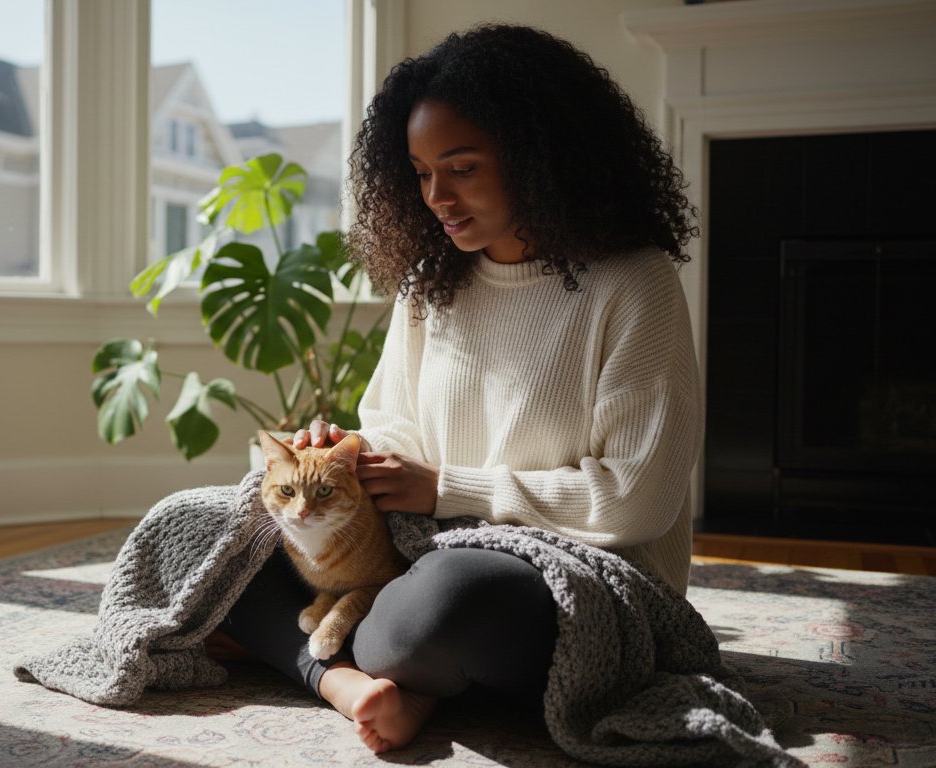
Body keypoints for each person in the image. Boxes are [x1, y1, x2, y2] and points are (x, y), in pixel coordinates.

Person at [208, 23, 701, 755]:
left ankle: (332, 656)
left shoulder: (635, 283)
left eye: (463, 167)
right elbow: (396, 427)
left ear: (540, 158)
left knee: (447, 604)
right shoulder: (430, 283)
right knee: (216, 525)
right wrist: (353, 454)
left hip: (575, 578)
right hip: (426, 551)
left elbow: (635, 496)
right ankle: (356, 684)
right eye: (420, 171)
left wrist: (444, 487)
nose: (437, 195)